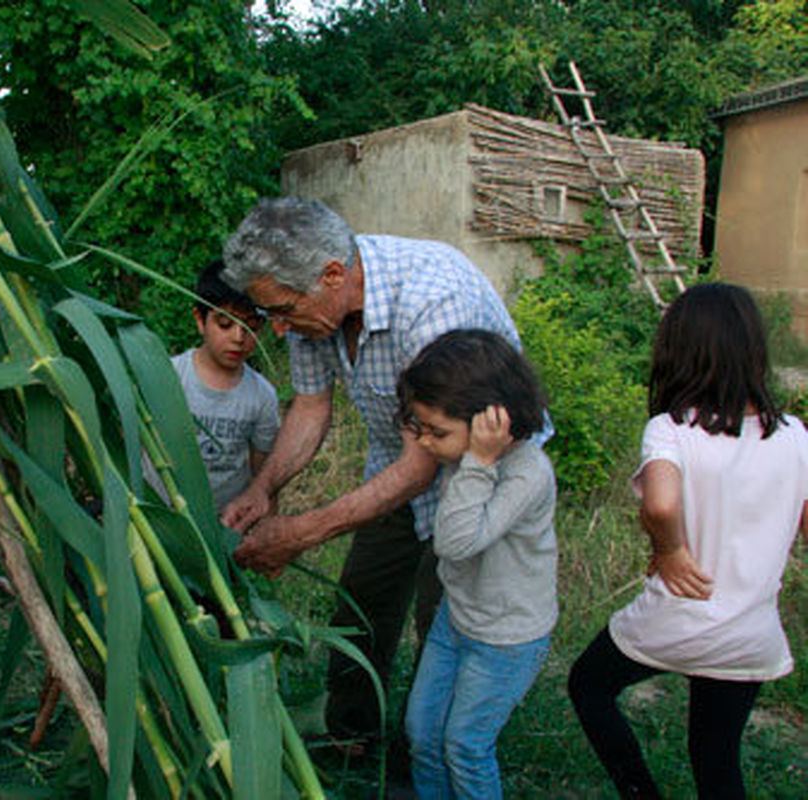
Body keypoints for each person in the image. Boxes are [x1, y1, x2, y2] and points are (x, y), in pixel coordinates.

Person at [220, 197, 530, 744]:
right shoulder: (312, 315)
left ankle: (432, 751)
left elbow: (426, 460)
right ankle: (351, 731)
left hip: (478, 482)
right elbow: (312, 407)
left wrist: (302, 533)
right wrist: (263, 490)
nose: (277, 329)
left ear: (332, 275)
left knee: (446, 620)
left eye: (284, 310)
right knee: (362, 601)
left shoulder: (434, 302)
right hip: (400, 466)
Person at [567, 283, 808, 799]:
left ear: (680, 350)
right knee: (716, 757)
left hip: (678, 617)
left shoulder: (671, 429)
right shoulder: (795, 436)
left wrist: (670, 550)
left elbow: (660, 503)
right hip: (750, 631)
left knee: (589, 687)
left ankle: (640, 793)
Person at [396, 329, 556, 799]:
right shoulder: (463, 459)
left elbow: (457, 542)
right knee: (422, 733)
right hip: (459, 618)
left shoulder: (525, 472)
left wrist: (479, 464)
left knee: (465, 746)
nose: (425, 442)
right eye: (419, 428)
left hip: (506, 638)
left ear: (492, 421)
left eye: (437, 432)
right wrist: (470, 459)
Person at [173, 261, 279, 512]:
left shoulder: (262, 396)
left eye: (251, 327)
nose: (238, 338)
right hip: (166, 522)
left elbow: (263, 475)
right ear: (200, 320)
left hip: (227, 525)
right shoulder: (168, 376)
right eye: (225, 324)